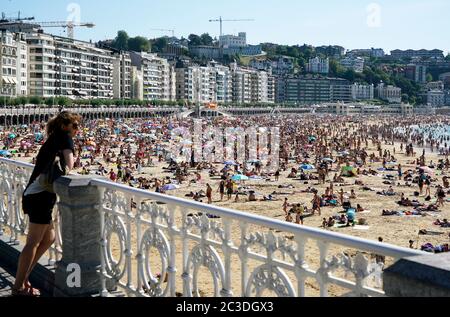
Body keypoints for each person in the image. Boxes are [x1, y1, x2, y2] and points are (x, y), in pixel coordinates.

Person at [13, 111, 80, 297]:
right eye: (75, 126)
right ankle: (18, 287)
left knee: (49, 237)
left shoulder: (54, 138)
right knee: (32, 243)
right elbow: (70, 164)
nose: (77, 130)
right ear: (65, 126)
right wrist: (72, 158)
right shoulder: (64, 138)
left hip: (36, 194)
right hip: (40, 196)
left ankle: (25, 276)